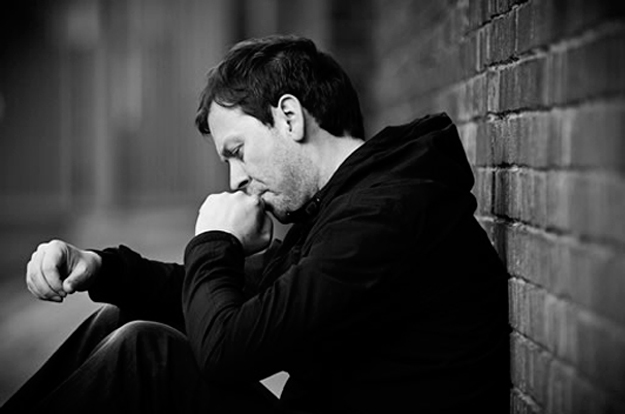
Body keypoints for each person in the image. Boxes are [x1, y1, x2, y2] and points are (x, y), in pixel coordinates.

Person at [1, 34, 509, 413]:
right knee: (119, 320)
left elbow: (227, 350)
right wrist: (102, 268)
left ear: (289, 117)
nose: (236, 179)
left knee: (144, 354)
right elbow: (228, 301)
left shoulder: (385, 215)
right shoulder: (345, 207)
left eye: (238, 151)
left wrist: (214, 241)